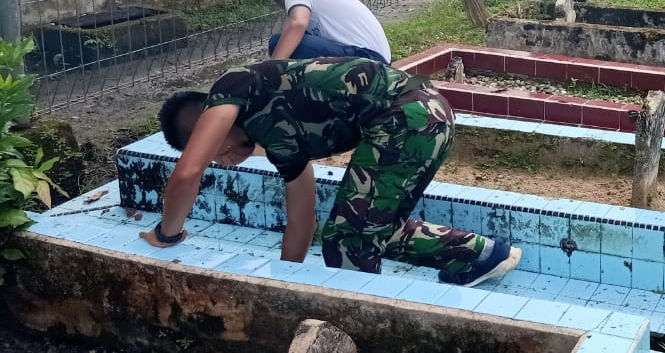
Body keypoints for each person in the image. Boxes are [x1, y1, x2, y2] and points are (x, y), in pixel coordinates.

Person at [144, 57, 521, 287]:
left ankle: (361, 333)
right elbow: (302, 223)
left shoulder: (232, 86)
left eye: (206, 145)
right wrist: (286, 284)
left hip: (407, 116)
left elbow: (187, 173)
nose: (218, 157)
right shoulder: (280, 143)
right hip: (423, 116)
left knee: (347, 240)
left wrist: (167, 234)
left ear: (206, 122)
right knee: (363, 226)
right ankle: (481, 254)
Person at [264, 0, 391, 64]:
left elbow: (298, 24)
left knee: (277, 42)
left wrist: (270, 69)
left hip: (368, 59)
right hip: (377, 59)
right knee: (290, 40)